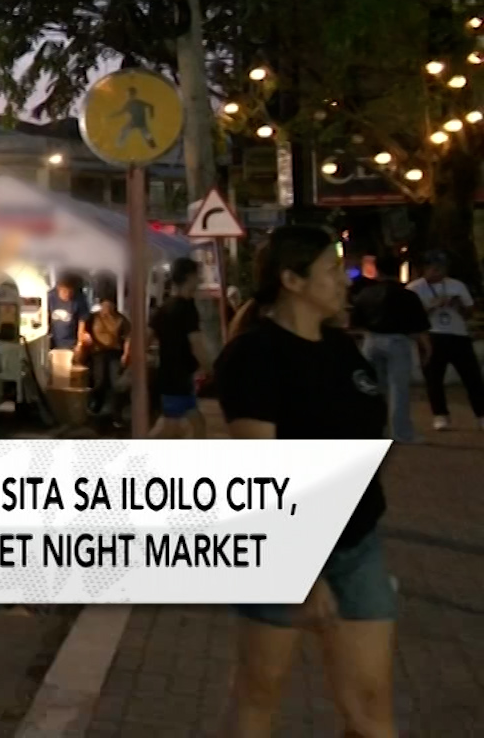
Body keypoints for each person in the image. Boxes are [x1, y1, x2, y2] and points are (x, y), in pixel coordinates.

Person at [217, 226, 395, 738]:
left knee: (370, 709)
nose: (346, 281)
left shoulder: (343, 350)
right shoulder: (255, 356)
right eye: (333, 271)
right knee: (258, 695)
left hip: (358, 545)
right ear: (292, 280)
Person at [349, 254, 430, 444]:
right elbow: (419, 327)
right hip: (398, 342)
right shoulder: (408, 295)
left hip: (371, 340)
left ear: (377, 269)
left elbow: (355, 323)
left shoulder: (365, 294)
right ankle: (401, 432)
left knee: (374, 388)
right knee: (398, 389)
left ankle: (376, 429)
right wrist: (426, 348)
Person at [406, 251, 483, 431]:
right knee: (434, 378)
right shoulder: (414, 289)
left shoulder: (456, 285)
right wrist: (433, 306)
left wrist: (459, 306)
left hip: (458, 334)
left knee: (472, 377)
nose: (438, 272)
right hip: (431, 335)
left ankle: (481, 414)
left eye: (442, 268)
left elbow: (469, 312)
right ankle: (440, 415)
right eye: (434, 268)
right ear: (425, 268)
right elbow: (412, 317)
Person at [150, 258, 214, 438]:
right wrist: (210, 368)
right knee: (170, 429)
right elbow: (196, 343)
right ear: (190, 277)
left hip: (171, 375)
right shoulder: (187, 308)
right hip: (177, 378)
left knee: (195, 424)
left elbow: (146, 336)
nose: (199, 280)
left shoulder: (164, 308)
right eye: (197, 275)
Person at [83, 290, 133, 425]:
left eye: (109, 306)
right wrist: (85, 337)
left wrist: (126, 354)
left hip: (114, 352)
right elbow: (83, 328)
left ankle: (116, 414)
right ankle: (95, 408)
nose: (107, 309)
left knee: (116, 384)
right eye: (104, 306)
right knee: (99, 381)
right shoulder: (93, 317)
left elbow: (128, 337)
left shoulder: (121, 319)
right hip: (98, 352)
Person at [46, 273, 86, 388]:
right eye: (64, 292)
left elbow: (82, 321)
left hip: (71, 342)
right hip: (53, 341)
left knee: (70, 375)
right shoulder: (50, 297)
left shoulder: (79, 299)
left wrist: (80, 343)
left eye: (70, 292)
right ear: (59, 288)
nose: (67, 295)